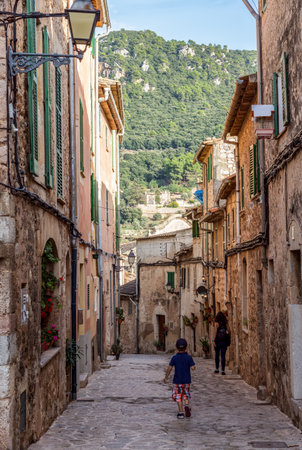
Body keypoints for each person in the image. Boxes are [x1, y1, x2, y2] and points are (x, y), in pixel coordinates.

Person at [163, 338, 196, 419]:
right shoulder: (189, 357)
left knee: (178, 396)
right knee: (186, 394)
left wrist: (166, 377)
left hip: (177, 381)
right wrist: (193, 367)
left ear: (176, 348)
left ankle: (181, 412)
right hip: (187, 381)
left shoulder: (174, 358)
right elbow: (193, 367)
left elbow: (169, 368)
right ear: (186, 347)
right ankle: (187, 405)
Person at [213, 311, 230, 375]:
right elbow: (229, 330)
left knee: (217, 355)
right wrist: (228, 337)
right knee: (223, 356)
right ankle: (223, 370)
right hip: (224, 341)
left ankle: (217, 369)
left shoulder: (216, 323)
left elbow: (215, 332)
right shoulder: (225, 323)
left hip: (217, 341)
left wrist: (213, 341)